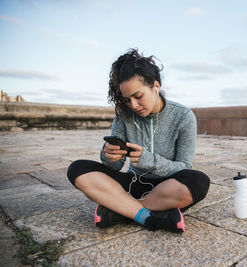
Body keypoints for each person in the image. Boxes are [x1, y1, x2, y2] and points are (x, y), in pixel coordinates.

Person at [67, 48, 210, 233]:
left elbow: (183, 166)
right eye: (127, 99)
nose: (133, 105)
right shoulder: (123, 116)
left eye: (138, 96)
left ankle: (121, 209)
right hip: (132, 183)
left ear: (155, 87)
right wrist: (108, 155)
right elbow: (115, 168)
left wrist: (150, 161)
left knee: (199, 182)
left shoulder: (183, 116)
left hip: (167, 188)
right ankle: (149, 216)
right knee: (78, 169)